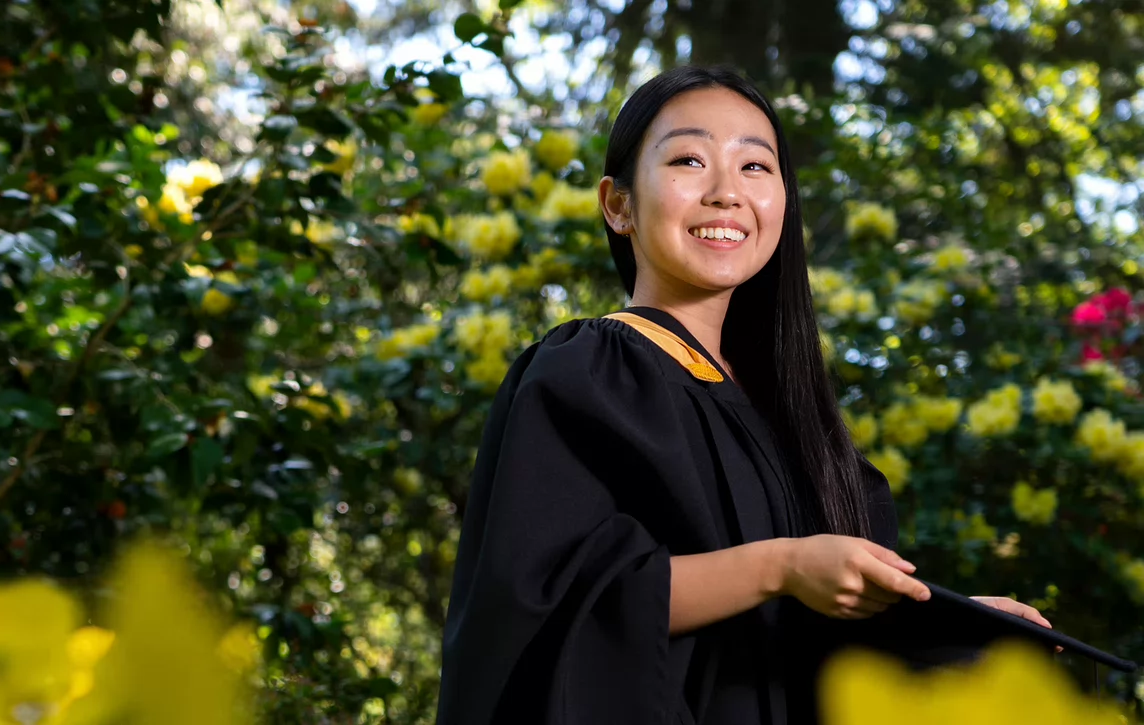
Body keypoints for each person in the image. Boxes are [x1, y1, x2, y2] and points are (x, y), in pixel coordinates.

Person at [435, 66, 1055, 725]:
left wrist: (949, 619)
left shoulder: (792, 418)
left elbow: (823, 651)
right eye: (689, 159)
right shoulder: (591, 370)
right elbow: (553, 603)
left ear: (784, 202)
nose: (726, 192)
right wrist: (781, 566)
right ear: (618, 204)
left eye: (756, 167)